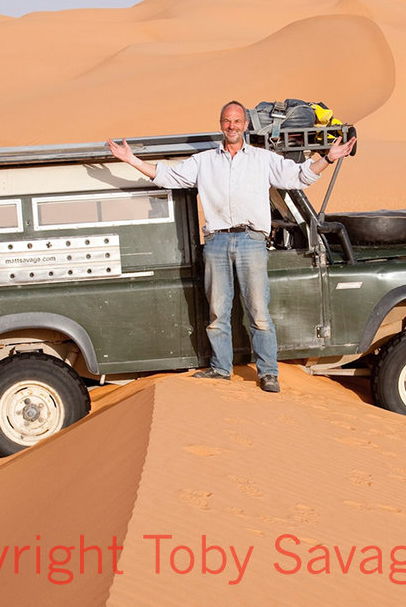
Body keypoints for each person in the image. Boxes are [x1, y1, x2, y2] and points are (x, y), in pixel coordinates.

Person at [108, 101, 357, 393]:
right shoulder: (204, 161)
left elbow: (299, 175)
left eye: (237, 121)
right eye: (227, 121)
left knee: (259, 312)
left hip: (252, 241)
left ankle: (268, 372)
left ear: (246, 125)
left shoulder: (263, 159)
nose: (232, 126)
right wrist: (131, 159)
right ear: (221, 124)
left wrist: (328, 158)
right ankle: (220, 368)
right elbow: (168, 176)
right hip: (216, 242)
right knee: (217, 312)